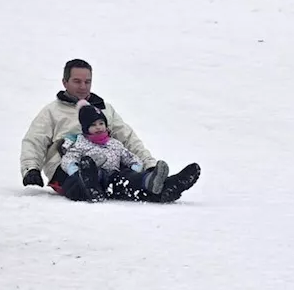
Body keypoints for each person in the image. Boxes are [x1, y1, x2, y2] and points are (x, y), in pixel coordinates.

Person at [21, 58, 200, 202]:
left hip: (108, 166)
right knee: (81, 180)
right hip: (67, 170)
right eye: (77, 81)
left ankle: (165, 188)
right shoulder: (52, 111)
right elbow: (35, 140)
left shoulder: (104, 109)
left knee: (125, 182)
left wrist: (149, 165)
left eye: (87, 81)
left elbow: (128, 138)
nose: (83, 87)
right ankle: (88, 184)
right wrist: (31, 169)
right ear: (64, 82)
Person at [61, 103, 168, 202]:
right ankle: (90, 179)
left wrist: (134, 169)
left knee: (126, 179)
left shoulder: (115, 144)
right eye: (93, 125)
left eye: (101, 123)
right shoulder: (81, 143)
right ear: (85, 128)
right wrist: (74, 171)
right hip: (91, 176)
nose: (98, 127)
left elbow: (131, 158)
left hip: (112, 178)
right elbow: (68, 159)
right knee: (77, 179)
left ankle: (149, 181)